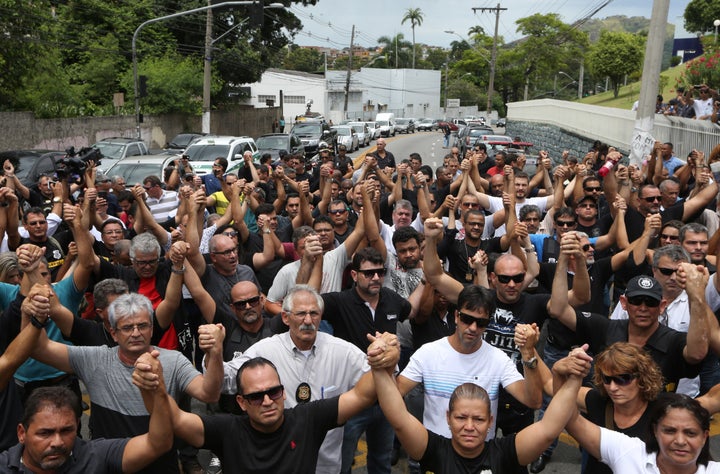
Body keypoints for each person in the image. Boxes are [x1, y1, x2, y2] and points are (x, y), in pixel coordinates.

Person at [133, 333, 400, 474]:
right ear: (241, 402)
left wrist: (383, 357)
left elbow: (363, 394)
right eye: (255, 396)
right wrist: (153, 386)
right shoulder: (226, 431)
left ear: (284, 393)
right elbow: (173, 418)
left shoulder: (308, 418)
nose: (267, 401)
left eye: (274, 392)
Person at [219, 285, 370, 474]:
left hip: (326, 466)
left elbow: (378, 379)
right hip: (280, 464)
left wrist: (385, 355)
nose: (308, 320)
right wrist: (213, 351)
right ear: (285, 317)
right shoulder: (266, 349)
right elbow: (225, 380)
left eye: (314, 313)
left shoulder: (343, 352)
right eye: (301, 314)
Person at [372, 343, 586, 473]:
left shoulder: (505, 454)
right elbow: (398, 419)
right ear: (448, 418)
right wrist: (378, 362)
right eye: (461, 417)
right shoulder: (433, 450)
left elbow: (549, 429)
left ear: (491, 421)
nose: (469, 426)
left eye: (479, 419)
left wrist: (575, 377)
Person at [0, 385, 173, 473]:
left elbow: (157, 444)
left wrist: (158, 392)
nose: (57, 442)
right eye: (45, 433)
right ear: (22, 433)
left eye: (67, 431)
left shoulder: (95, 456)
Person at [553, 342, 664, 474]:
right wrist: (557, 371)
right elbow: (565, 413)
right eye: (607, 379)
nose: (613, 387)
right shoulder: (598, 401)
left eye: (623, 379)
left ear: (642, 377)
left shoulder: (664, 410)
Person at [565, 388, 720, 473]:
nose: (680, 441)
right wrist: (570, 379)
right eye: (670, 431)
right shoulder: (628, 452)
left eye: (690, 433)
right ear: (655, 431)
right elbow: (570, 420)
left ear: (705, 436)